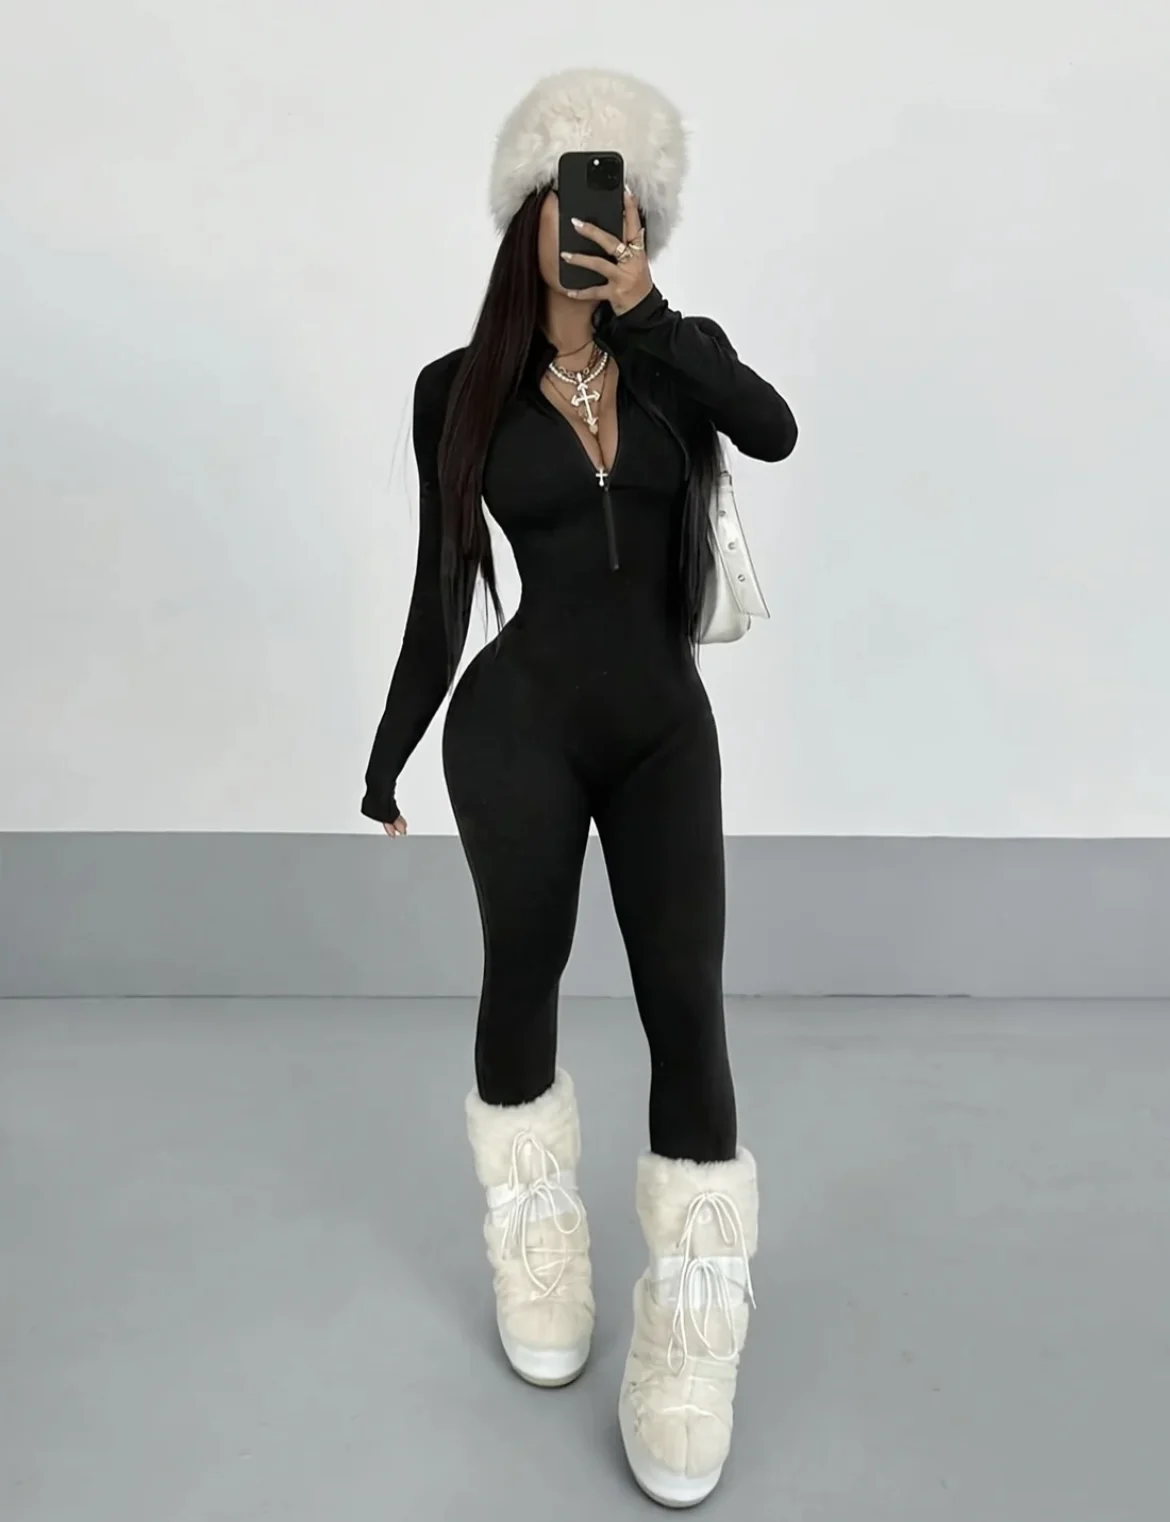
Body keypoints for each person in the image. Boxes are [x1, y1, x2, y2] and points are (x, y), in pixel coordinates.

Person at [361, 69, 797, 1507]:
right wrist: (388, 748)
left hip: (663, 729)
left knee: (687, 1002)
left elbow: (775, 429)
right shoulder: (456, 390)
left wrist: (651, 314)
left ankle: (690, 1326)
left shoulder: (681, 361)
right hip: (518, 730)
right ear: (525, 214)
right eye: (568, 192)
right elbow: (441, 592)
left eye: (620, 200)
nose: (594, 218)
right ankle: (535, 1235)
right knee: (524, 969)